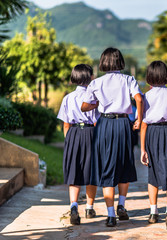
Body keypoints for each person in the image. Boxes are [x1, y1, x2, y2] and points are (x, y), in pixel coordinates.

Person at [81, 47, 143, 227]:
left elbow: (85, 106)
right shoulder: (129, 79)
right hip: (124, 124)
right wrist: (138, 118)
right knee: (124, 163)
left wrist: (98, 104)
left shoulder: (96, 83)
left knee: (107, 166)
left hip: (105, 124)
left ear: (103, 62)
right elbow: (139, 99)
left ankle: (110, 215)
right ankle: (121, 205)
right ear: (120, 62)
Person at [140, 61, 167, 231]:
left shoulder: (146, 97)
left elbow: (143, 124)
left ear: (149, 76)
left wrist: (143, 149)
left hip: (151, 133)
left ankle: (153, 212)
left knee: (153, 171)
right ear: (166, 75)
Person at [57, 64, 99, 225]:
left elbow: (66, 124)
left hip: (73, 133)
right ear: (89, 78)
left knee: (74, 170)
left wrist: (69, 141)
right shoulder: (93, 98)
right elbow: (96, 121)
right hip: (90, 133)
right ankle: (89, 207)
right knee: (91, 171)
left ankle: (74, 205)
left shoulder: (67, 98)